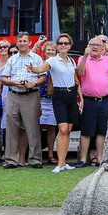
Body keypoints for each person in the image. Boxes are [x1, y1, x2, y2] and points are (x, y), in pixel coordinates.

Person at [30, 33, 79, 173]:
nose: (63, 45)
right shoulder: (53, 61)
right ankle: (59, 163)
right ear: (57, 46)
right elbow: (41, 69)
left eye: (66, 43)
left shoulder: (71, 61)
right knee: (62, 129)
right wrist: (33, 69)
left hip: (71, 95)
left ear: (69, 46)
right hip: (59, 95)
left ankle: (63, 162)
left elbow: (76, 79)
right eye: (61, 43)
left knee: (68, 130)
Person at [0, 32, 45, 169]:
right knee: (12, 128)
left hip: (30, 95)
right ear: (17, 43)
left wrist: (34, 83)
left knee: (32, 128)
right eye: (20, 41)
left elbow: (43, 77)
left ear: (30, 43)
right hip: (13, 94)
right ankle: (11, 160)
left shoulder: (37, 58)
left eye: (25, 41)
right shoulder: (12, 59)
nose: (22, 43)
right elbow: (4, 78)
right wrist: (13, 82)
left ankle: (35, 159)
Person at [76, 36, 108, 168]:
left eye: (98, 45)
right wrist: (85, 56)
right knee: (86, 131)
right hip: (88, 100)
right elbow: (80, 72)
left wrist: (105, 89)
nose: (95, 47)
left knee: (102, 131)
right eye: (92, 44)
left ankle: (100, 158)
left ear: (102, 48)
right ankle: (83, 159)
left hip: (104, 101)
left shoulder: (107, 60)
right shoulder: (82, 59)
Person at [38, 42, 59, 165]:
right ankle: (37, 153)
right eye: (48, 50)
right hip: (40, 100)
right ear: (44, 52)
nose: (50, 52)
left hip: (52, 101)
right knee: (37, 128)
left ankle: (51, 154)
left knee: (52, 128)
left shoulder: (57, 66)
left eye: (53, 50)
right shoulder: (40, 65)